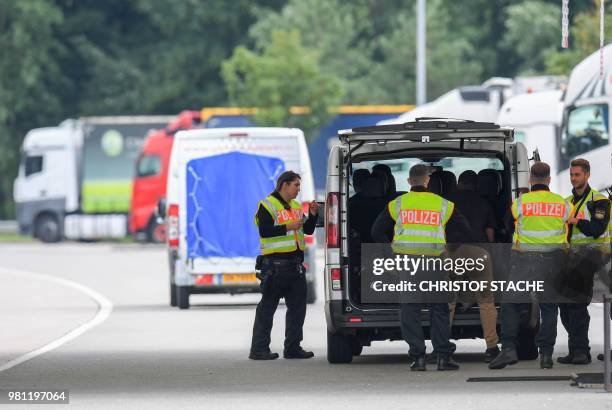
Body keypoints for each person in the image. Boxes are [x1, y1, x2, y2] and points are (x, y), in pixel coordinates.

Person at [371, 164, 473, 371]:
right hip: (435, 262)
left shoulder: (397, 204)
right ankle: (443, 358)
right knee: (439, 309)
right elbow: (465, 230)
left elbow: (376, 231)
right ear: (427, 181)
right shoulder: (443, 204)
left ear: (409, 181)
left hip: (408, 263)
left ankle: (418, 358)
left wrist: (390, 254)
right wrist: (450, 249)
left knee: (410, 309)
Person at [489, 162, 571, 370]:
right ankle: (546, 355)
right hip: (553, 262)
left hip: (524, 261)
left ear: (530, 180)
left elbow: (507, 226)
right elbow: (567, 228)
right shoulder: (563, 204)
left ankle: (508, 349)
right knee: (549, 307)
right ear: (549, 180)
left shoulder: (520, 203)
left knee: (510, 304)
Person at [249, 171, 319, 360]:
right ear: (284, 185)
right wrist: (288, 227)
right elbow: (264, 231)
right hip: (275, 267)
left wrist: (312, 215)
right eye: (296, 185)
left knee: (298, 308)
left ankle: (293, 347)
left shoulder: (296, 206)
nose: (298, 189)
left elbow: (308, 229)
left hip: (295, 266)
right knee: (267, 308)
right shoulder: (267, 205)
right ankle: (259, 349)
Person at [556, 159, 610, 364]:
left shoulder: (600, 201)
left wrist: (577, 221)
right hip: (572, 256)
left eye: (577, 175)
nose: (573, 178)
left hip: (594, 254)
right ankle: (576, 347)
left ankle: (580, 351)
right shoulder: (567, 201)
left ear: (587, 175)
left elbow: (596, 231)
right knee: (563, 301)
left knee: (576, 301)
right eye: (571, 174)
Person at [447, 170, 500, 362]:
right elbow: (490, 232)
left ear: (458, 183)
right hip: (478, 252)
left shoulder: (446, 202)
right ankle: (492, 347)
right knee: (486, 301)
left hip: (451, 252)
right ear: (475, 185)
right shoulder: (483, 202)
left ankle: (443, 345)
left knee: (449, 301)